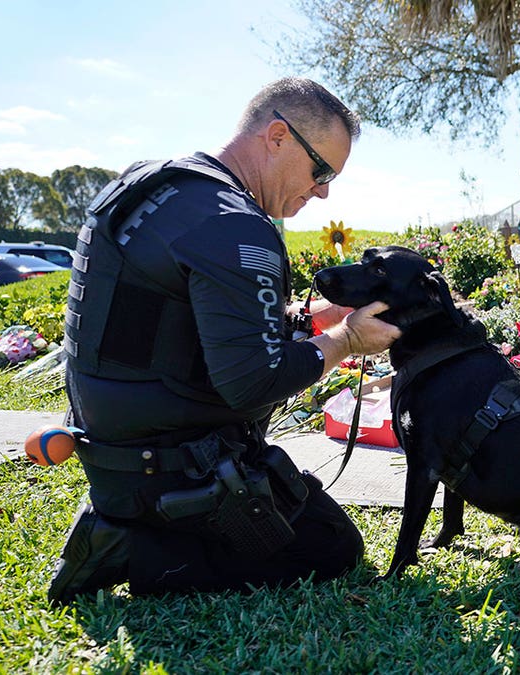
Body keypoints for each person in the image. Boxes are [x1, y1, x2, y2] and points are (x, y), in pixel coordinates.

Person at [48, 77, 400, 605]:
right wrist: (346, 339)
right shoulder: (237, 225)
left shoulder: (156, 187)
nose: (324, 190)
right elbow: (255, 383)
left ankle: (131, 523)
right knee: (331, 547)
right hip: (174, 463)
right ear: (278, 136)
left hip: (116, 447)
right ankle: (128, 547)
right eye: (320, 170)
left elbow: (177, 326)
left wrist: (308, 320)